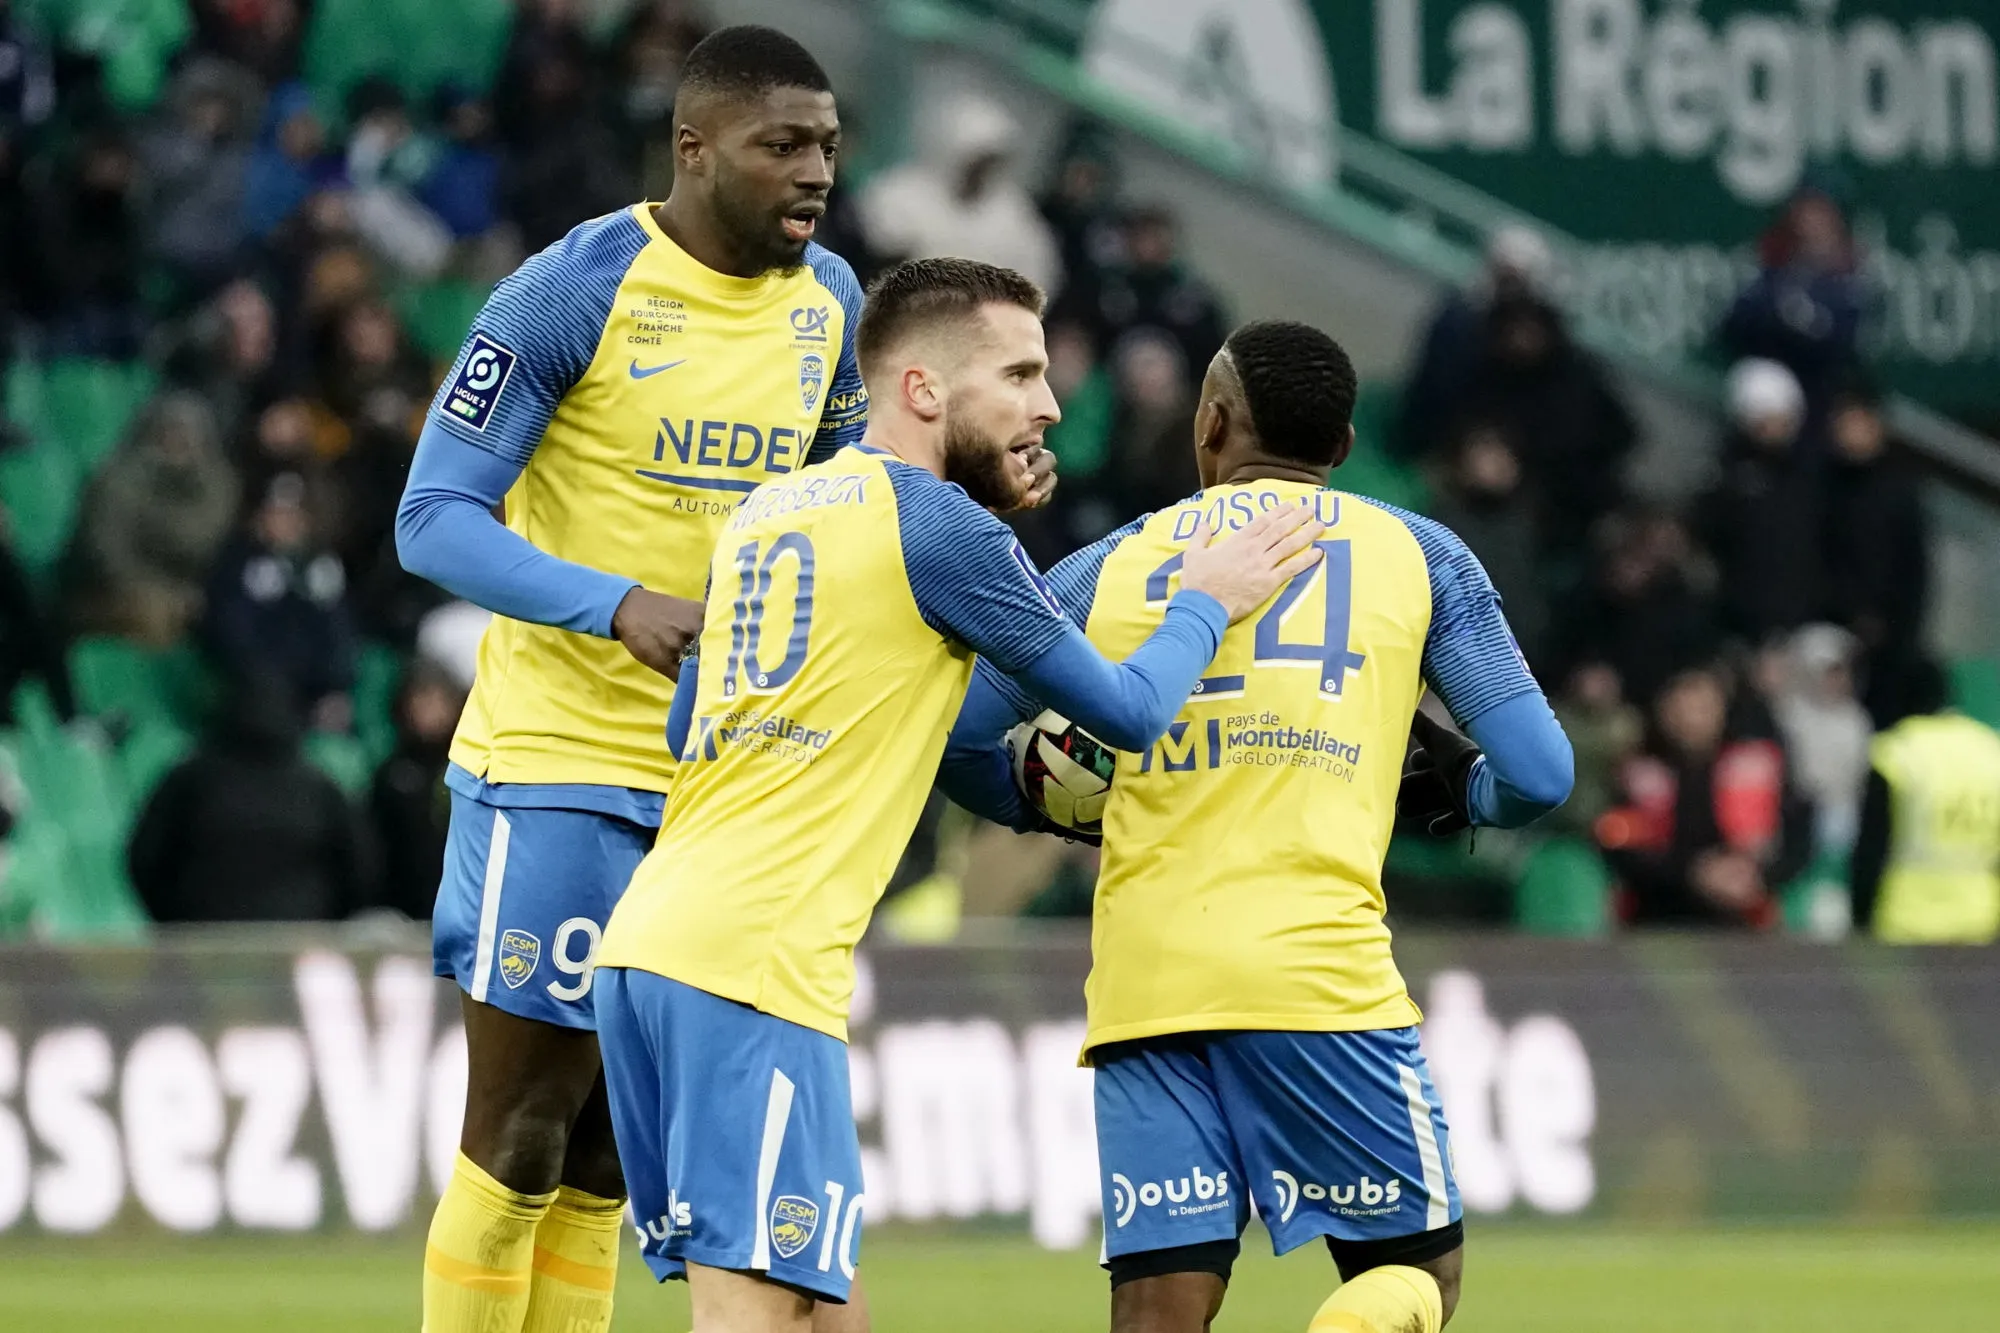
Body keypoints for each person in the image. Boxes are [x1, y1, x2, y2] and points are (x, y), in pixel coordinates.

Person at [394, 28, 1049, 1333]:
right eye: (782, 144)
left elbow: (865, 515)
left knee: (603, 1164)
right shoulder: (576, 289)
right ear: (694, 146)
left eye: (827, 146)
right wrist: (613, 603)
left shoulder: (832, 312)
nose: (815, 171)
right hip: (557, 766)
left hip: (720, 795)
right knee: (516, 1134)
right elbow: (434, 518)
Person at [592, 258, 1320, 1333]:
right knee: (747, 1315)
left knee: (825, 1312)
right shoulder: (940, 532)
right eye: (1018, 374)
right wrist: (1205, 600)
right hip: (748, 970)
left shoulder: (768, 512)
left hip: (659, 951)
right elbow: (1123, 709)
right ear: (924, 391)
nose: (1049, 403)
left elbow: (684, 727)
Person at [940, 320, 1573, 1333]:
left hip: (1146, 987)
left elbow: (961, 740)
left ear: (1210, 423)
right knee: (1420, 1278)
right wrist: (1463, 791)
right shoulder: (1420, 555)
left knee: (1156, 1316)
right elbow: (1541, 774)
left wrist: (1056, 803)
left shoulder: (1105, 565)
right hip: (1316, 979)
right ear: (1346, 441)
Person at [128, 673, 371, 922]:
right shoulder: (319, 787)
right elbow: (359, 867)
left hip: (204, 936)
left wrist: (174, 921)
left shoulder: (189, 779)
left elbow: (145, 858)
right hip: (299, 935)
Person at [1598, 666, 1811, 927]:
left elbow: (1797, 835)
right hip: (1658, 918)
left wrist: (1759, 874)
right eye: (1680, 708)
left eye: (1701, 708)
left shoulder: (1755, 765)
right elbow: (1621, 844)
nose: (1690, 720)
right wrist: (1693, 873)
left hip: (1744, 922)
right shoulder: (1638, 773)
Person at [1851, 663, 2000, 944]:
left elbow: (1872, 844)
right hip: (1980, 916)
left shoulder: (1896, 752)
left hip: (1906, 918)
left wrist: (1860, 914)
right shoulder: (1991, 750)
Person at [1698, 359, 1820, 646]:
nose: (1778, 426)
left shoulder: (1805, 480)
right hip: (1735, 620)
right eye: (1767, 417)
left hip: (1795, 620)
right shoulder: (1726, 478)